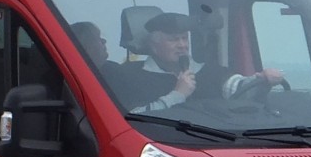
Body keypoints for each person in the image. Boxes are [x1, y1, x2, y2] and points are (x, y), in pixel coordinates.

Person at [114, 11, 284, 112]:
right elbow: (134, 117)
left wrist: (260, 80)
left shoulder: (208, 71)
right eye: (173, 40)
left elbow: (236, 87)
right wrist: (178, 95)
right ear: (154, 45)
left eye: (184, 38)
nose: (182, 45)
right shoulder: (130, 76)